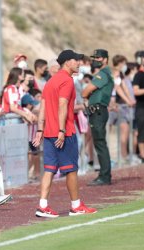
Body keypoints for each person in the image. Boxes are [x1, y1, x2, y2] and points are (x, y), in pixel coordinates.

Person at [33, 49, 97, 218]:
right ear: (68, 62)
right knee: (71, 170)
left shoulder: (51, 81)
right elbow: (62, 105)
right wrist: (61, 129)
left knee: (49, 169)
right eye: (76, 60)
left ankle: (42, 205)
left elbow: (43, 107)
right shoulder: (66, 81)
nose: (79, 63)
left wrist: (40, 129)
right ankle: (76, 205)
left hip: (48, 132)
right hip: (64, 132)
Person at [82, 49, 114, 185]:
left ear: (105, 59)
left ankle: (104, 176)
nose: (96, 60)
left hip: (98, 111)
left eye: (99, 58)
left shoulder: (103, 73)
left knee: (100, 144)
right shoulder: (104, 73)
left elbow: (86, 91)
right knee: (100, 144)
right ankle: (104, 174)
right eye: (94, 57)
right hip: (98, 111)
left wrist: (85, 95)